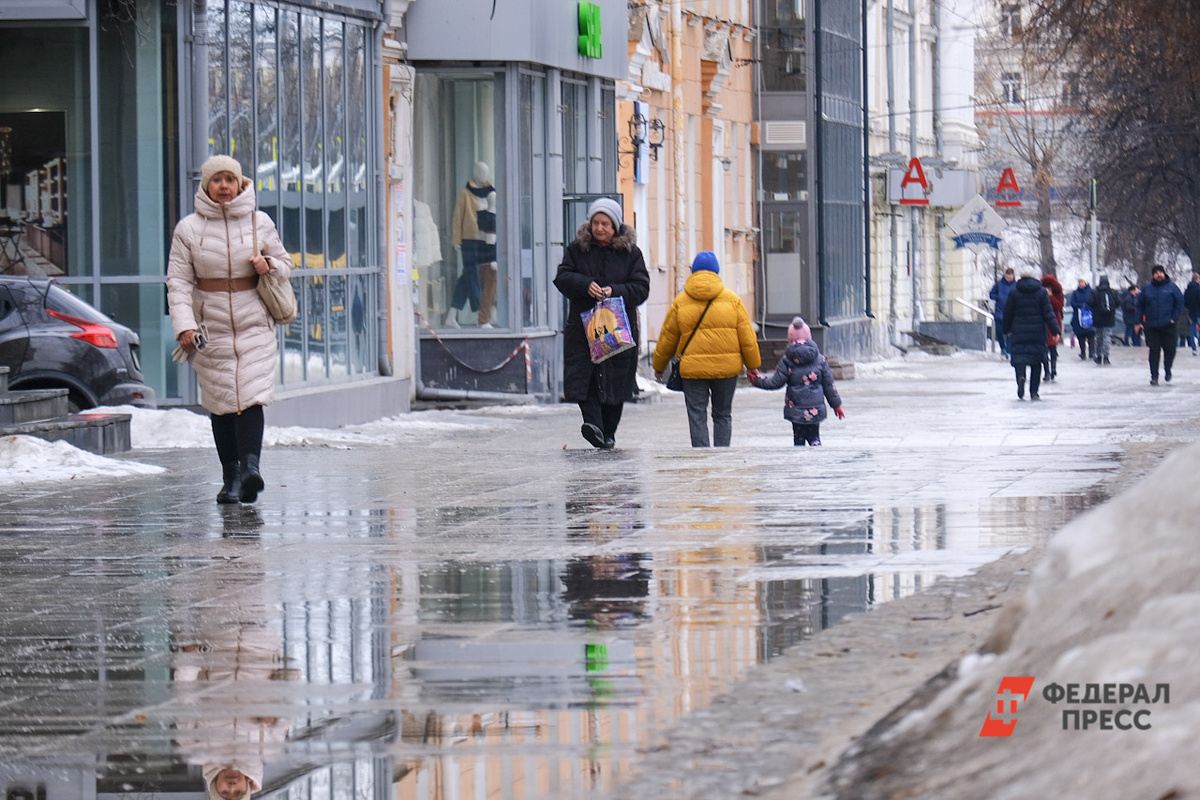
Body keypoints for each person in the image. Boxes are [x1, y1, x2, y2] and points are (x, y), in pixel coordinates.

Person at [167, 155, 291, 504]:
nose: (224, 186)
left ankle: (252, 468)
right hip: (211, 325)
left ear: (240, 184)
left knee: (250, 396)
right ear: (206, 185)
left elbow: (286, 264)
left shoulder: (259, 222)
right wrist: (184, 326)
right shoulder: (187, 229)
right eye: (217, 180)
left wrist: (268, 264)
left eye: (230, 180)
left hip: (254, 321)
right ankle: (231, 477)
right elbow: (177, 282)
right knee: (221, 402)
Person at [554, 197, 650, 449]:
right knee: (583, 377)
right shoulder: (577, 250)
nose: (599, 228)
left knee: (616, 380)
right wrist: (585, 286)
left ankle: (608, 433)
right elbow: (562, 277)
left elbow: (641, 288)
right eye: (596, 222)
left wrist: (614, 291)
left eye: (605, 223)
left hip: (618, 330)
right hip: (583, 330)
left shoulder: (631, 254)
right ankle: (592, 425)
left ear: (615, 226)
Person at [650, 252, 761, 447]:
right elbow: (748, 338)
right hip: (727, 369)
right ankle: (722, 455)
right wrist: (752, 365)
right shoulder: (732, 300)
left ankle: (701, 456)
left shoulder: (680, 302)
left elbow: (667, 338)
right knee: (723, 414)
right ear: (716, 272)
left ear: (693, 272)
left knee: (697, 415)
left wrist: (659, 366)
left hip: (693, 371)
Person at [746, 316, 844, 445]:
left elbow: (776, 382)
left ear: (790, 340)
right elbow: (829, 385)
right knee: (814, 436)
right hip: (815, 409)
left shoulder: (787, 360)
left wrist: (757, 380)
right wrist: (836, 405)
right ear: (809, 338)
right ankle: (816, 449)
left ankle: (799, 459)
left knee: (798, 440)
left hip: (796, 410)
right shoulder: (820, 360)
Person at [446, 161, 496, 327]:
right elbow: (458, 216)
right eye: (480, 171)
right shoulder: (465, 194)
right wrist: (456, 238)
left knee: (467, 277)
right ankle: (479, 315)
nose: (484, 175)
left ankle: (451, 315)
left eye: (486, 172)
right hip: (469, 239)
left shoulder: (491, 192)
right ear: (475, 173)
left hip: (484, 241)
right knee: (472, 274)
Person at [1003, 271, 1060, 400]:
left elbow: (1008, 313)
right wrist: (1055, 330)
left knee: (1019, 359)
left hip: (1018, 332)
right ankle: (1034, 392)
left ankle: (1021, 378)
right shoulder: (1041, 293)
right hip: (1037, 332)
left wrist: (1006, 329)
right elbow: (1048, 313)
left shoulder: (1014, 293)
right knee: (1036, 362)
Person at [1134, 264, 1185, 385]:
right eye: (1156, 273)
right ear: (1153, 275)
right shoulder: (1147, 288)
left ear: (1164, 273)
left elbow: (1180, 303)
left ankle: (1168, 369)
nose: (1159, 274)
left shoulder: (1172, 287)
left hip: (1168, 324)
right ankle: (1154, 376)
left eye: (1160, 272)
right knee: (1154, 351)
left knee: (1170, 350)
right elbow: (1139, 305)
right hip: (1151, 326)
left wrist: (1174, 318)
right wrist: (1138, 322)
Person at [1088, 275, 1119, 365]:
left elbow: (1090, 302)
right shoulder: (1113, 292)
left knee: (1099, 337)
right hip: (1110, 318)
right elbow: (1118, 302)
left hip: (1098, 318)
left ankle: (1098, 356)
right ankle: (1106, 357)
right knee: (1107, 337)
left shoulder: (1095, 292)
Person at [988, 268, 1017, 358]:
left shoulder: (1016, 285)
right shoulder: (999, 284)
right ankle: (1003, 348)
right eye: (1007, 276)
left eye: (1010, 276)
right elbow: (991, 294)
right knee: (999, 332)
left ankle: (1008, 351)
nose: (1008, 278)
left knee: (1010, 333)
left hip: (1011, 313)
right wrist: (998, 297)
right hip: (1000, 312)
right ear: (1005, 275)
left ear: (1013, 276)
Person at [1041, 274, 1064, 381]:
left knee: (1053, 347)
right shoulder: (1041, 293)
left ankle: (1053, 369)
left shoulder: (1058, 293)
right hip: (1044, 322)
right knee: (1044, 348)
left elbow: (1059, 306)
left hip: (1054, 321)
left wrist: (1050, 296)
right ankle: (1046, 371)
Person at [1069, 277, 1095, 360]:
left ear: (1086, 282)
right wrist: (1080, 306)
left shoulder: (1091, 292)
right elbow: (1073, 303)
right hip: (1078, 317)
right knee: (1081, 336)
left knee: (1091, 335)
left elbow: (1093, 302)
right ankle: (1082, 352)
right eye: (1079, 282)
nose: (1080, 283)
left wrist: (1087, 306)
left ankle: (1092, 352)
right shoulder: (1075, 293)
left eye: (1082, 282)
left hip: (1089, 316)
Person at [1183, 272, 1200, 355]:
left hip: (1191, 312)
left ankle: (1194, 348)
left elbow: (1185, 302)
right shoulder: (1198, 289)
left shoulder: (1187, 290)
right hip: (1199, 311)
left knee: (1192, 330)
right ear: (1197, 279)